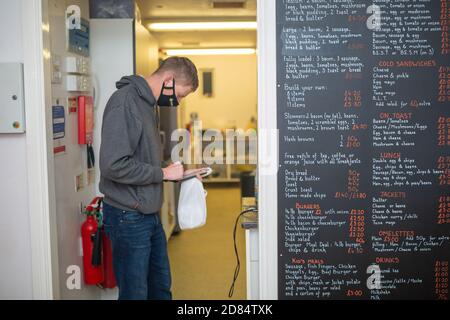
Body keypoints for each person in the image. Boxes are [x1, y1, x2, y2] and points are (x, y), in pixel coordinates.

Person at [99, 57, 199, 300]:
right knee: (135, 294)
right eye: (181, 95)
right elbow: (113, 165)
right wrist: (163, 173)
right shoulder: (125, 103)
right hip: (128, 217)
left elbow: (141, 159)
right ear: (168, 80)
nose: (178, 101)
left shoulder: (147, 105)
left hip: (147, 215)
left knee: (160, 289)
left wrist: (176, 172)